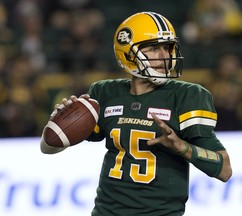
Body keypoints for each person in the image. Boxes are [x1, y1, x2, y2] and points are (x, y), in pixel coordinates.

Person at [40, 12, 232, 216]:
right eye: (154, 48)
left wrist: (183, 147)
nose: (164, 56)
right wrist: (59, 123)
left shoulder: (187, 96)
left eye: (167, 48)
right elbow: (48, 147)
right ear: (128, 53)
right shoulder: (105, 93)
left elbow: (224, 169)